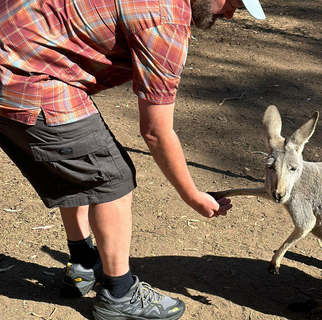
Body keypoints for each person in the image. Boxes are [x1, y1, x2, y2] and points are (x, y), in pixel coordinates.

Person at [0, 0, 265, 319]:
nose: (230, 14)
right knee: (112, 179)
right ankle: (119, 295)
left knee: (82, 168)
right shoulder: (166, 23)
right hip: (27, 78)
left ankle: (83, 262)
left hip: (16, 46)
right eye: (232, 2)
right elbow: (155, 131)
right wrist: (192, 195)